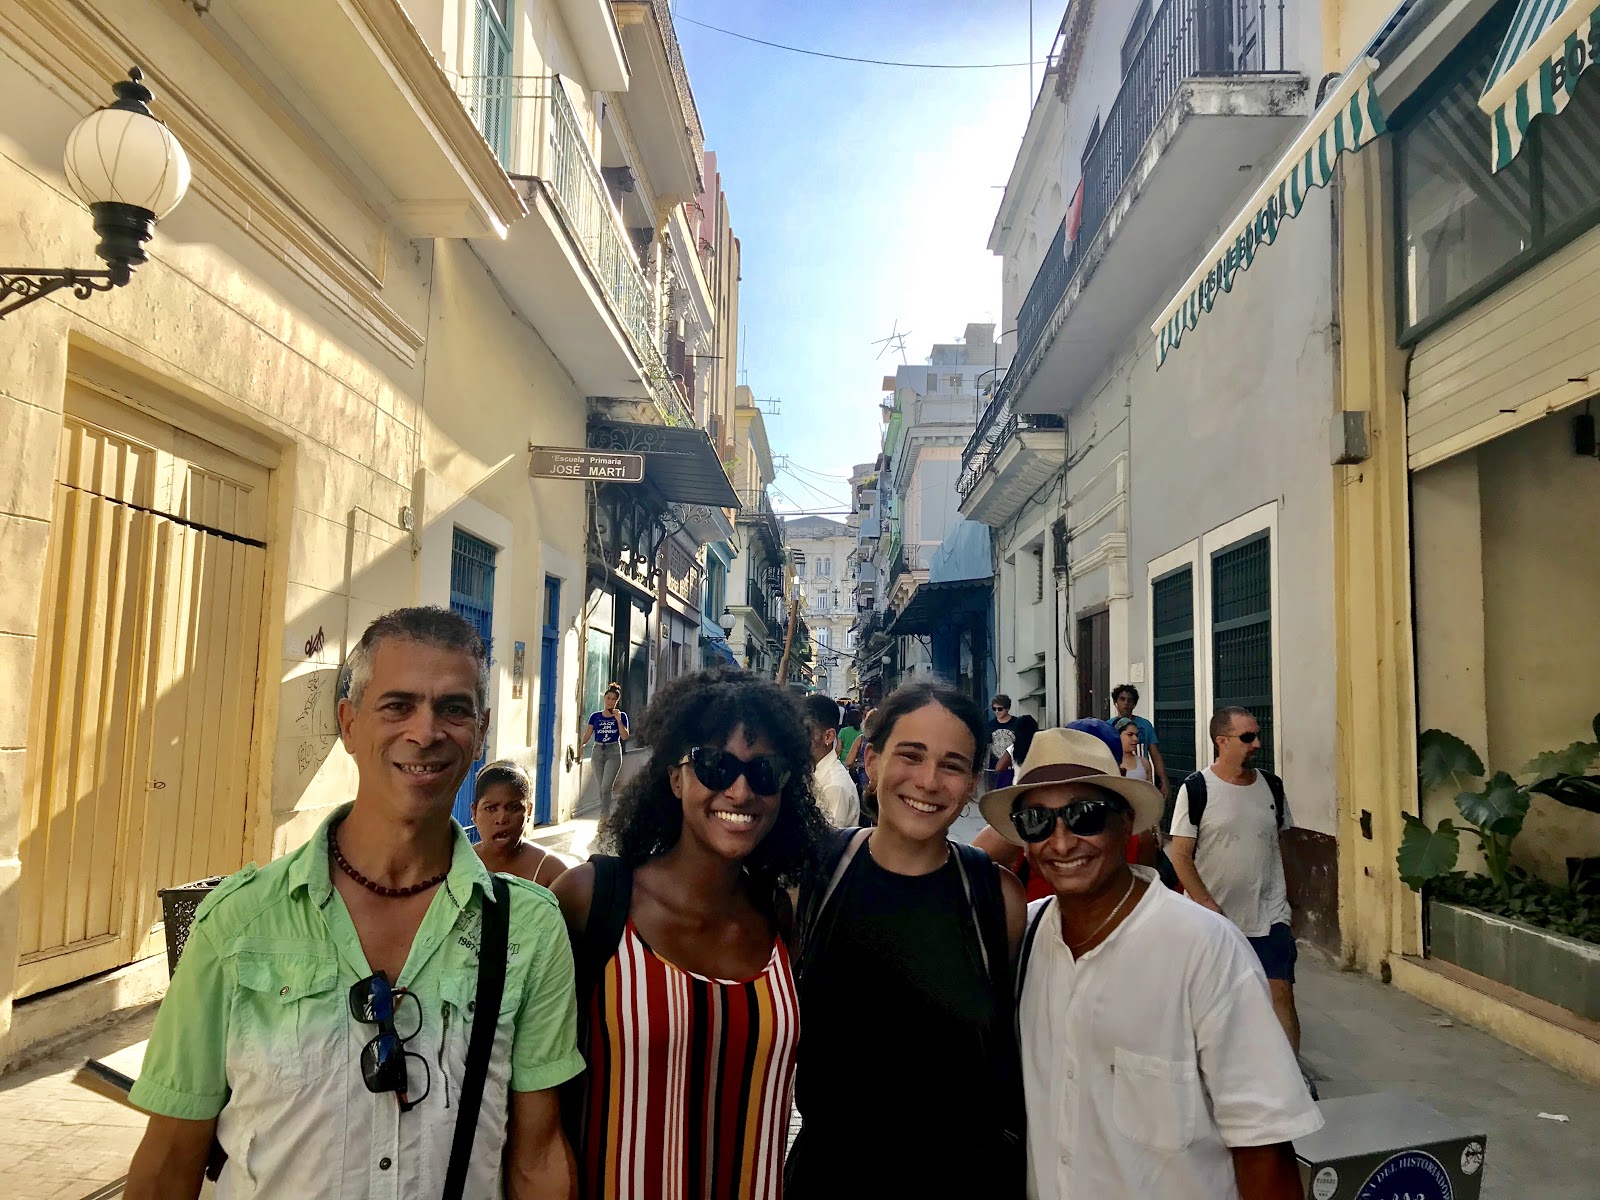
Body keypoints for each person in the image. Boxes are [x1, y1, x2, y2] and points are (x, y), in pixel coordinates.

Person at [124, 607, 582, 1200]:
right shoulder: (239, 922)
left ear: (480, 730)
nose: (426, 731)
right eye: (397, 705)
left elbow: (537, 1157)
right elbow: (168, 1162)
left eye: (454, 708)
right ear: (349, 723)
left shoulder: (528, 927)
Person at [980, 728, 1322, 1200]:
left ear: (1127, 823)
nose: (1061, 842)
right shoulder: (1025, 937)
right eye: (1037, 821)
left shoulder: (1203, 949)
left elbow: (1262, 1145)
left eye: (1084, 816)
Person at [551, 668, 829, 1200]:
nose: (741, 790)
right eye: (715, 765)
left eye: (764, 771)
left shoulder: (780, 918)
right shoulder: (592, 899)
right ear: (676, 778)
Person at [787, 681, 1028, 1200]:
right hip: (830, 1178)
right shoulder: (814, 878)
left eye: (952, 765)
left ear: (971, 785)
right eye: (910, 756)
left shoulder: (995, 898)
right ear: (871, 761)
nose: (927, 781)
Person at [1168, 707, 1304, 1053]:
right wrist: (1207, 904)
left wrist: (1291, 902)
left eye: (1257, 735)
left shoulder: (1271, 787)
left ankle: (1292, 1076)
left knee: (1280, 993)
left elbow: (1282, 844)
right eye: (1247, 737)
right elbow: (1180, 855)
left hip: (1269, 915)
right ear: (1222, 741)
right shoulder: (1197, 789)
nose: (1256, 743)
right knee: (1216, 1002)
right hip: (1213, 920)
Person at [472, 760, 575, 887]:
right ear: (474, 812)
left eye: (513, 808)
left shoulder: (552, 871)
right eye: (490, 808)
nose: (502, 819)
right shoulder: (458, 863)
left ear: (529, 811)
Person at [804, 692, 860, 828]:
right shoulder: (811, 772)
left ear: (828, 736)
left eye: (806, 732)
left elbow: (825, 844)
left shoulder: (835, 787)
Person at [1112, 683, 1170, 795]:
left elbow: (1155, 755)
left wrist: (1164, 781)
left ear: (1134, 704)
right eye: (1122, 699)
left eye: (1130, 700)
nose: (1126, 703)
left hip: (1142, 774)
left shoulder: (1145, 725)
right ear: (1116, 702)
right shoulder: (1109, 726)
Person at [581, 683, 629, 816]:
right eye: (608, 698)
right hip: (597, 752)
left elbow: (625, 736)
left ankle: (604, 816)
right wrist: (582, 745)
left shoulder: (622, 716)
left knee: (606, 786)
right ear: (604, 698)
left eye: (614, 699)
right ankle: (605, 815)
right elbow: (588, 734)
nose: (610, 702)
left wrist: (618, 720)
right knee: (602, 788)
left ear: (617, 701)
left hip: (613, 751)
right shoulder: (595, 716)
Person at [987, 693, 1040, 790]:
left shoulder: (1013, 748)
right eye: (994, 709)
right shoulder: (1041, 747)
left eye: (1000, 709)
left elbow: (999, 767)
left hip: (1016, 784)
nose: (997, 711)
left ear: (1007, 708)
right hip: (1036, 786)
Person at [1114, 716, 1152, 781]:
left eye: (1136, 735)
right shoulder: (1110, 763)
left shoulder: (1144, 763)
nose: (1135, 739)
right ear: (1118, 735)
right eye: (1130, 734)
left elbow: (1150, 789)